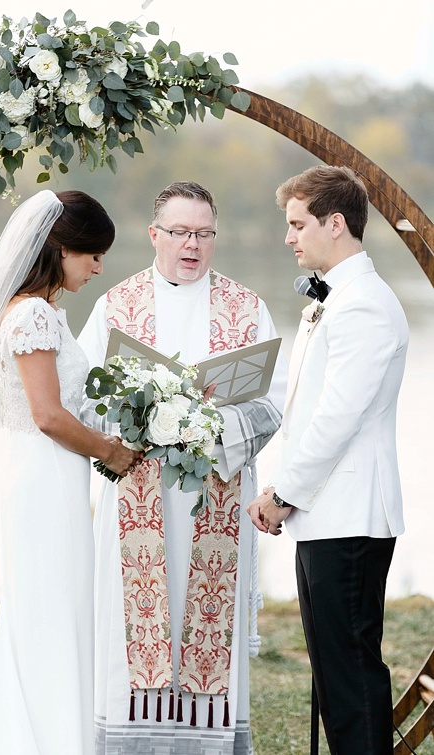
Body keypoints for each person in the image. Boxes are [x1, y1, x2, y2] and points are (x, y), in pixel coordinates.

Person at [78, 180, 288, 755]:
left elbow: (274, 402)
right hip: (137, 498)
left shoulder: (248, 309)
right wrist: (143, 414)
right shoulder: (114, 308)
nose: (192, 244)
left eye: (203, 233)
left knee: (207, 624)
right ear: (155, 235)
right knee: (131, 621)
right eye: (180, 232)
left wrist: (204, 425)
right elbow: (83, 397)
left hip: (216, 497)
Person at [0, 189, 140, 755]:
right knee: (50, 612)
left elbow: (64, 405)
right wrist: (110, 452)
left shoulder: (37, 311)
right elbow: (47, 416)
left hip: (50, 475)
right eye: (92, 255)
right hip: (43, 479)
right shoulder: (32, 315)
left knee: (52, 610)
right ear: (61, 248)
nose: (98, 267)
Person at [247, 166, 409, 755]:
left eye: (298, 224)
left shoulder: (364, 305)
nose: (289, 237)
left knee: (351, 677)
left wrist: (282, 493)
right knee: (334, 674)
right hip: (327, 515)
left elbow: (337, 418)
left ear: (335, 224)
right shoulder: (336, 299)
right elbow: (306, 402)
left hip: (350, 514)